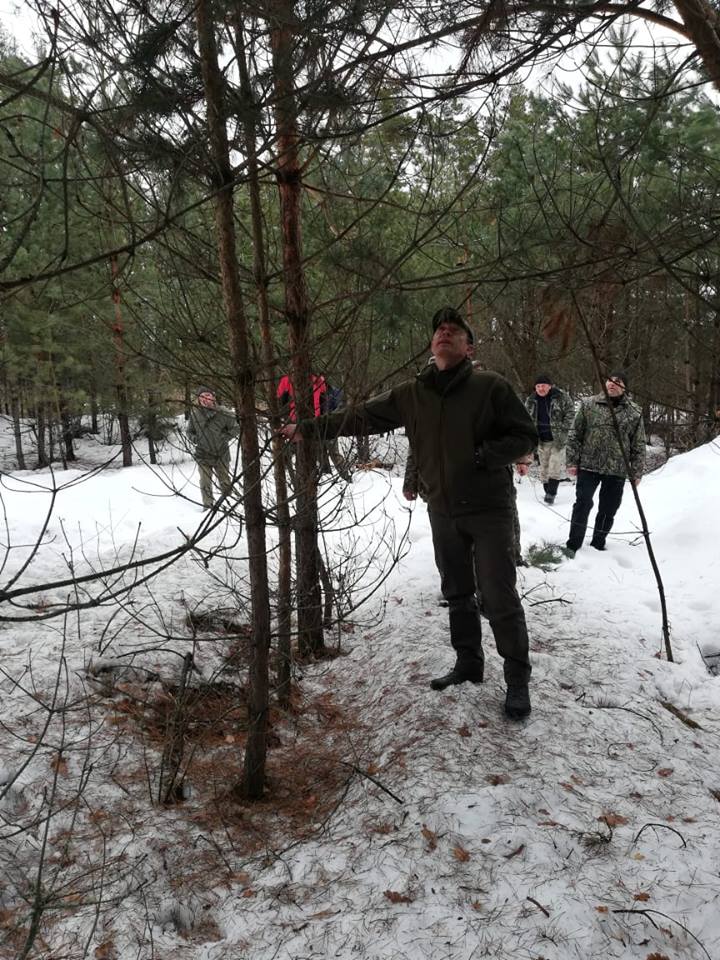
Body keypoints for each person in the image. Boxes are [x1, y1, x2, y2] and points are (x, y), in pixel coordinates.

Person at [282, 306, 538, 720]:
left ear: (469, 347)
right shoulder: (412, 393)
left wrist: (482, 455)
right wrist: (307, 428)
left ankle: (517, 680)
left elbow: (526, 436)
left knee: (498, 596)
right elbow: (359, 417)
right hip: (442, 509)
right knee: (457, 591)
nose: (444, 333)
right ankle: (469, 664)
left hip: (489, 510)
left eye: (454, 331)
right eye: (439, 329)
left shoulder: (491, 386)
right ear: (431, 343)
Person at [565, 371, 646, 555]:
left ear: (624, 386)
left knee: (608, 509)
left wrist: (637, 472)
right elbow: (574, 434)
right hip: (588, 464)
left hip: (617, 469)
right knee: (582, 504)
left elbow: (638, 443)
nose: (612, 384)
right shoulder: (589, 404)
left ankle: (598, 542)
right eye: (609, 380)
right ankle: (573, 544)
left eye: (617, 382)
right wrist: (571, 460)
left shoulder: (634, 411)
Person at [525, 373, 575, 505]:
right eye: (538, 386)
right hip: (541, 439)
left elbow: (570, 413)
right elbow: (526, 418)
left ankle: (551, 493)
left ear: (550, 386)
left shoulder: (561, 397)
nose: (541, 389)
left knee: (554, 465)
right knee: (544, 467)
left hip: (558, 438)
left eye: (543, 386)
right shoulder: (531, 400)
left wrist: (564, 430)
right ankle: (547, 490)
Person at [187, 387, 239, 509]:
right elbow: (190, 432)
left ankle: (230, 504)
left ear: (213, 397)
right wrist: (196, 439)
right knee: (205, 482)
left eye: (207, 396)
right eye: (201, 397)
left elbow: (236, 428)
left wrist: (224, 438)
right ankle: (208, 506)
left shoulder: (224, 412)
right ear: (198, 400)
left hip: (221, 453)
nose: (205, 399)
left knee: (225, 481)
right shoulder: (195, 414)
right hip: (202, 454)